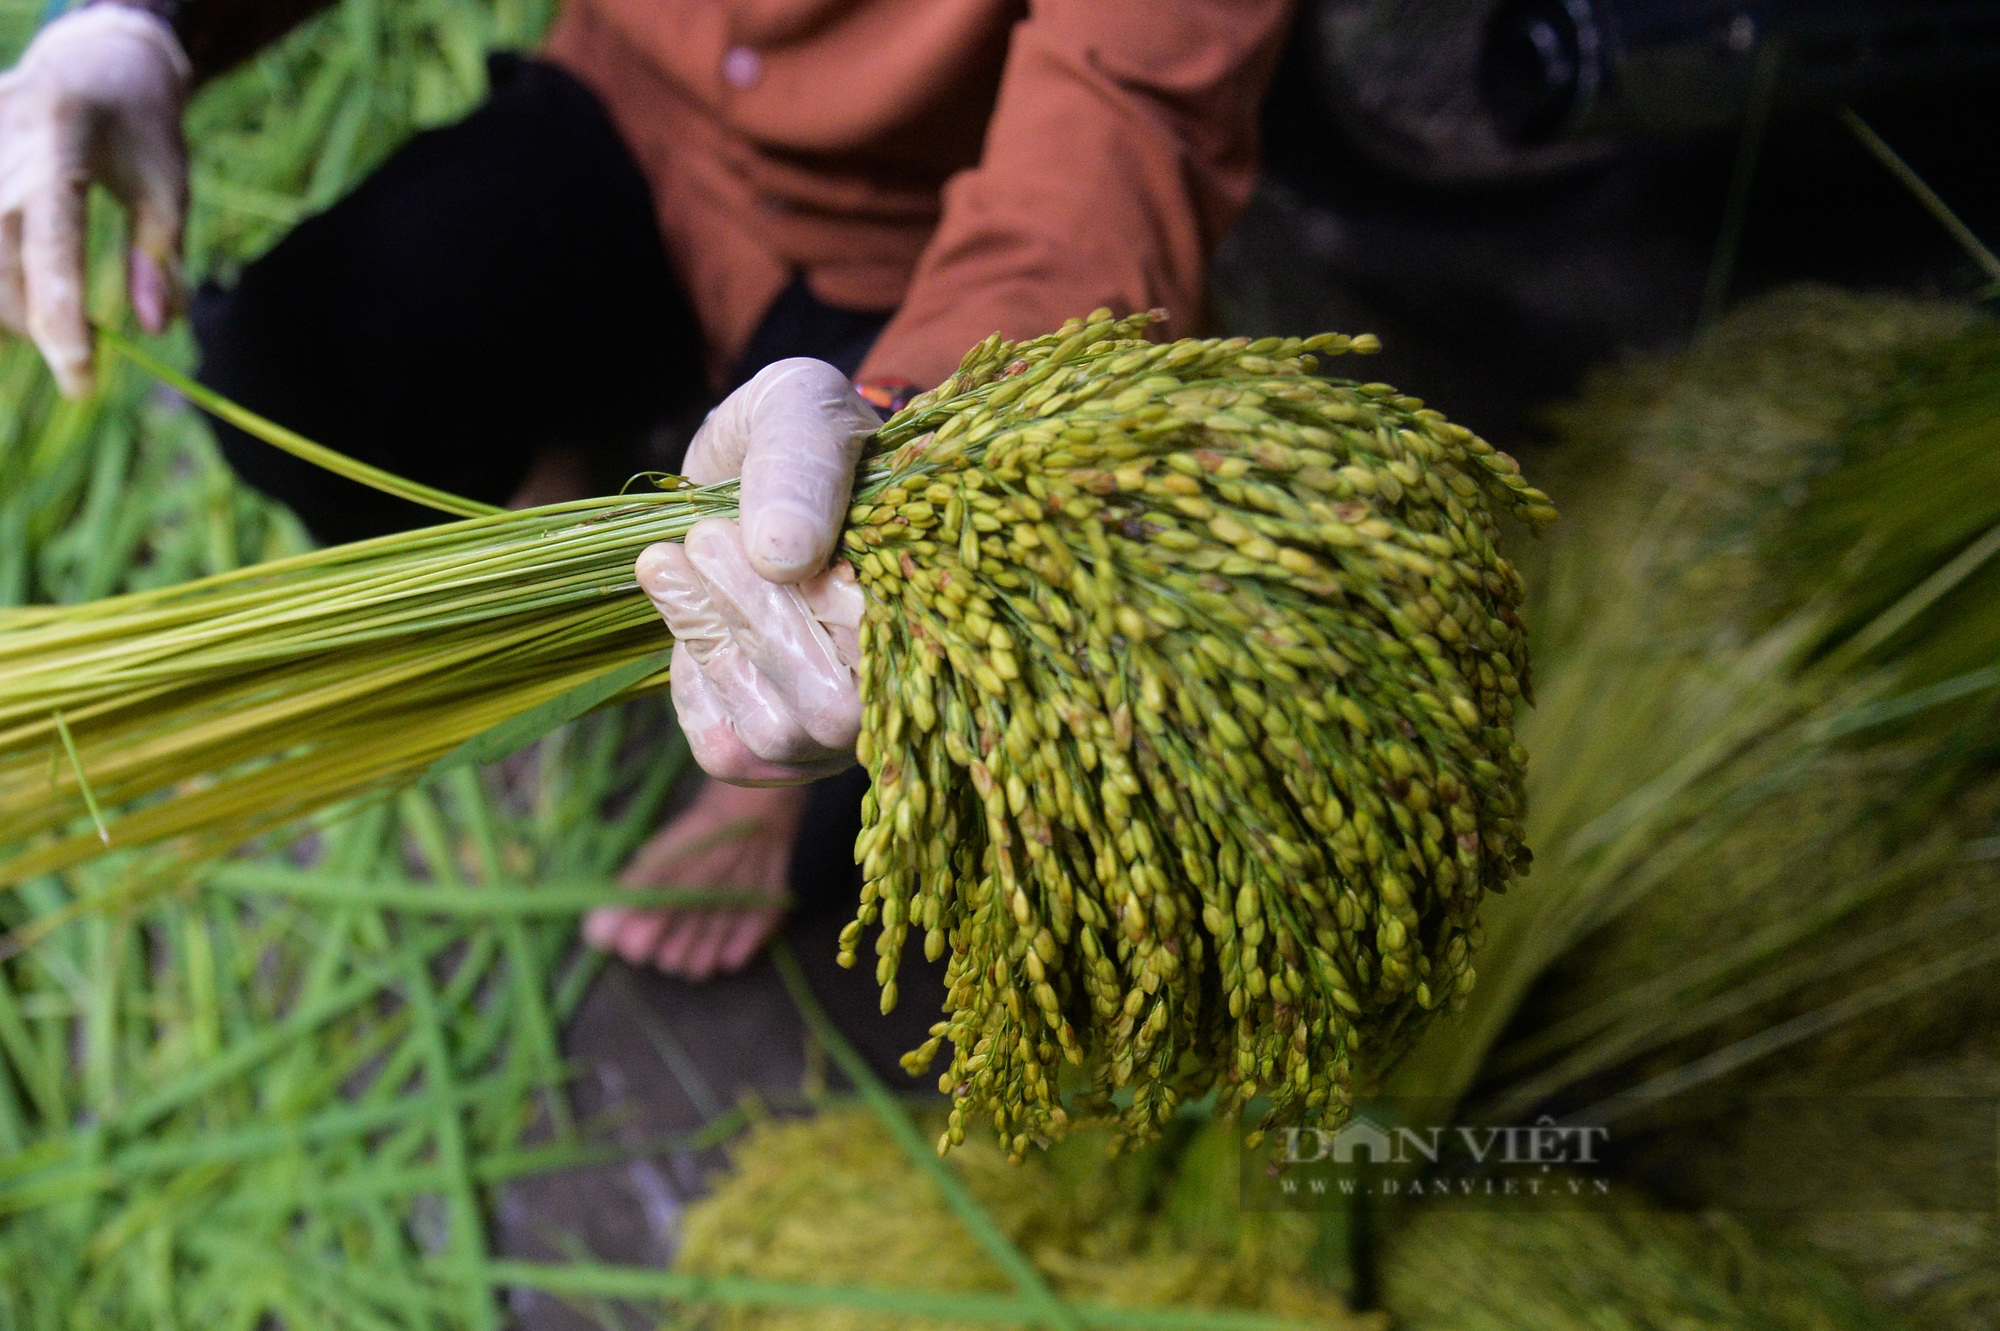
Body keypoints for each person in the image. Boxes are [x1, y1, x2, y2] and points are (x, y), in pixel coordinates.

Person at [0, 0, 1292, 979]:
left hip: (918, 237)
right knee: (287, 355)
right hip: (640, 105)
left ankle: (758, 788)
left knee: (901, 621)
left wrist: (907, 435)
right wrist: (137, 22)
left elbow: (1130, 124)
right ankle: (579, 501)